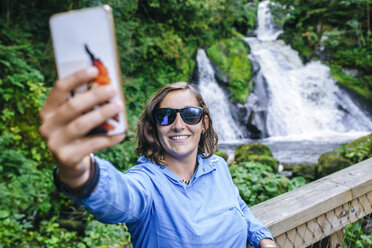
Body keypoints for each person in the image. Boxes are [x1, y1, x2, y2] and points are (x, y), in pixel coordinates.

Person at [39, 67, 277, 248]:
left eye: (190, 115)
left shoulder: (217, 167)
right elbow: (120, 198)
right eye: (165, 116)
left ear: (204, 123)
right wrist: (80, 171)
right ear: (153, 128)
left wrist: (263, 239)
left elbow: (239, 208)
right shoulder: (147, 183)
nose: (178, 125)